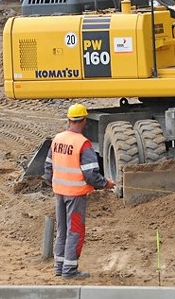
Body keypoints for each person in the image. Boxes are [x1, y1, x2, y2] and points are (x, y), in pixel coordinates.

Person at [44, 103, 114, 279]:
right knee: (75, 231)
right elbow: (91, 174)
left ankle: (59, 268)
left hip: (59, 192)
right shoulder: (83, 144)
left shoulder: (57, 139)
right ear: (84, 121)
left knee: (62, 230)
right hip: (75, 195)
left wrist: (54, 184)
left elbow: (48, 168)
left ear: (68, 120)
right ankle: (69, 271)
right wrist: (105, 184)